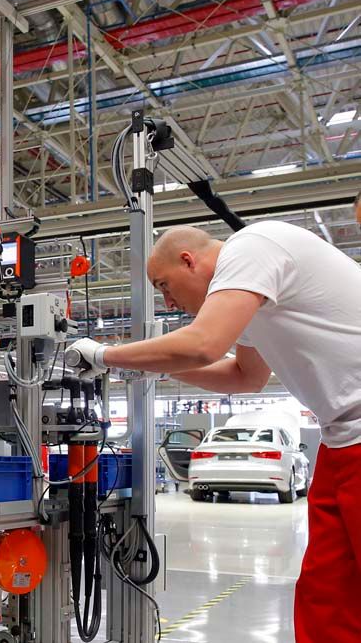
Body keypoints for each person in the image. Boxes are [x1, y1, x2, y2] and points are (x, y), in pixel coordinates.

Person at [65, 221, 361, 643]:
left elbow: (203, 343)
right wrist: (148, 362)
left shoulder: (251, 248)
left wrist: (104, 355)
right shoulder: (254, 301)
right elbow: (245, 376)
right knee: (327, 593)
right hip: (341, 440)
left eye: (165, 285)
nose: (167, 300)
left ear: (189, 260)